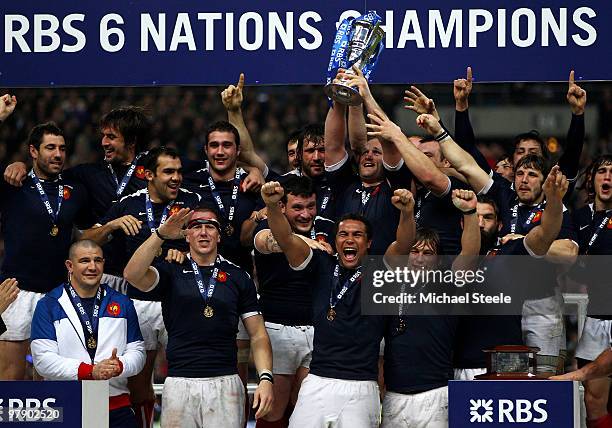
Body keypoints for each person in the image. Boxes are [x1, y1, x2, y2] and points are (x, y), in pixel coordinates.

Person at [261, 180, 416, 427]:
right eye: (343, 234)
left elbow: (404, 245)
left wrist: (407, 213)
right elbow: (286, 239)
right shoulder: (321, 264)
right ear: (336, 241)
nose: (349, 240)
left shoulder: (380, 272)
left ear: (369, 243)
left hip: (361, 385)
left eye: (357, 235)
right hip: (318, 380)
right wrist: (271, 206)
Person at [123, 205, 274, 427]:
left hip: (225, 381)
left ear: (219, 236)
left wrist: (265, 378)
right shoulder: (171, 270)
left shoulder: (238, 276)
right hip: (179, 382)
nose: (203, 232)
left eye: (210, 227)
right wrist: (161, 234)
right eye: (196, 226)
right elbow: (132, 274)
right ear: (187, 236)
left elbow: (258, 334)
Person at [81, 146, 200, 425]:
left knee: (186, 379)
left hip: (179, 301)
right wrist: (111, 225)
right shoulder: (129, 203)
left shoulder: (193, 201)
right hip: (139, 303)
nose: (176, 178)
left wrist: (187, 253)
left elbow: (213, 240)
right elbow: (85, 240)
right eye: (168, 172)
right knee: (138, 384)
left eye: (179, 172)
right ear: (148, 174)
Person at [0, 121, 92, 380]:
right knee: (10, 378)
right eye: (50, 147)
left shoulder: (76, 191)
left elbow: (87, 232)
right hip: (14, 290)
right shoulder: (13, 184)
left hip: (57, 292)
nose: (58, 154)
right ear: (33, 151)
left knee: (52, 379)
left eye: (62, 148)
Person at [381, 189, 480, 428]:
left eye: (428, 253)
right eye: (414, 251)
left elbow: (469, 254)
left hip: (435, 393)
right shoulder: (392, 282)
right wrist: (407, 213)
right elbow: (395, 250)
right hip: (394, 395)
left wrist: (469, 212)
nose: (419, 258)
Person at [30, 240, 145, 427]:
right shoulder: (49, 304)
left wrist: (119, 366)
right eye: (84, 261)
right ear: (70, 266)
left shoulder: (123, 303)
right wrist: (90, 371)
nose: (92, 267)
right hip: (67, 405)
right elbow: (43, 360)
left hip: (115, 406)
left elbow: (138, 353)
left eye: (97, 261)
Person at [253, 176, 333, 428]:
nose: (305, 214)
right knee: (273, 410)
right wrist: (307, 243)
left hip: (317, 328)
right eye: (297, 207)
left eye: (311, 206)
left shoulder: (328, 228)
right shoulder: (265, 228)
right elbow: (270, 241)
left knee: (307, 409)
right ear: (283, 207)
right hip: (277, 329)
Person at [569, 155, 612, 428]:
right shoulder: (578, 217)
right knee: (593, 400)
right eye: (602, 172)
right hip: (597, 316)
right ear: (591, 179)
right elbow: (571, 266)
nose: (608, 177)